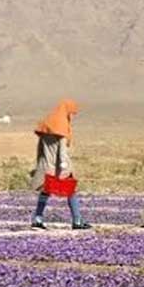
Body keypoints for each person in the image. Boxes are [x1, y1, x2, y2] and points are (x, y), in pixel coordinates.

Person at [30, 98, 91, 230]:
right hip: (59, 166)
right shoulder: (62, 126)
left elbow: (40, 149)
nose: (72, 116)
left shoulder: (47, 124)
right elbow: (62, 150)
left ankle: (37, 219)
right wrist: (64, 166)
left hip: (46, 165)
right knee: (71, 191)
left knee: (45, 191)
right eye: (72, 113)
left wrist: (38, 166)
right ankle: (77, 220)